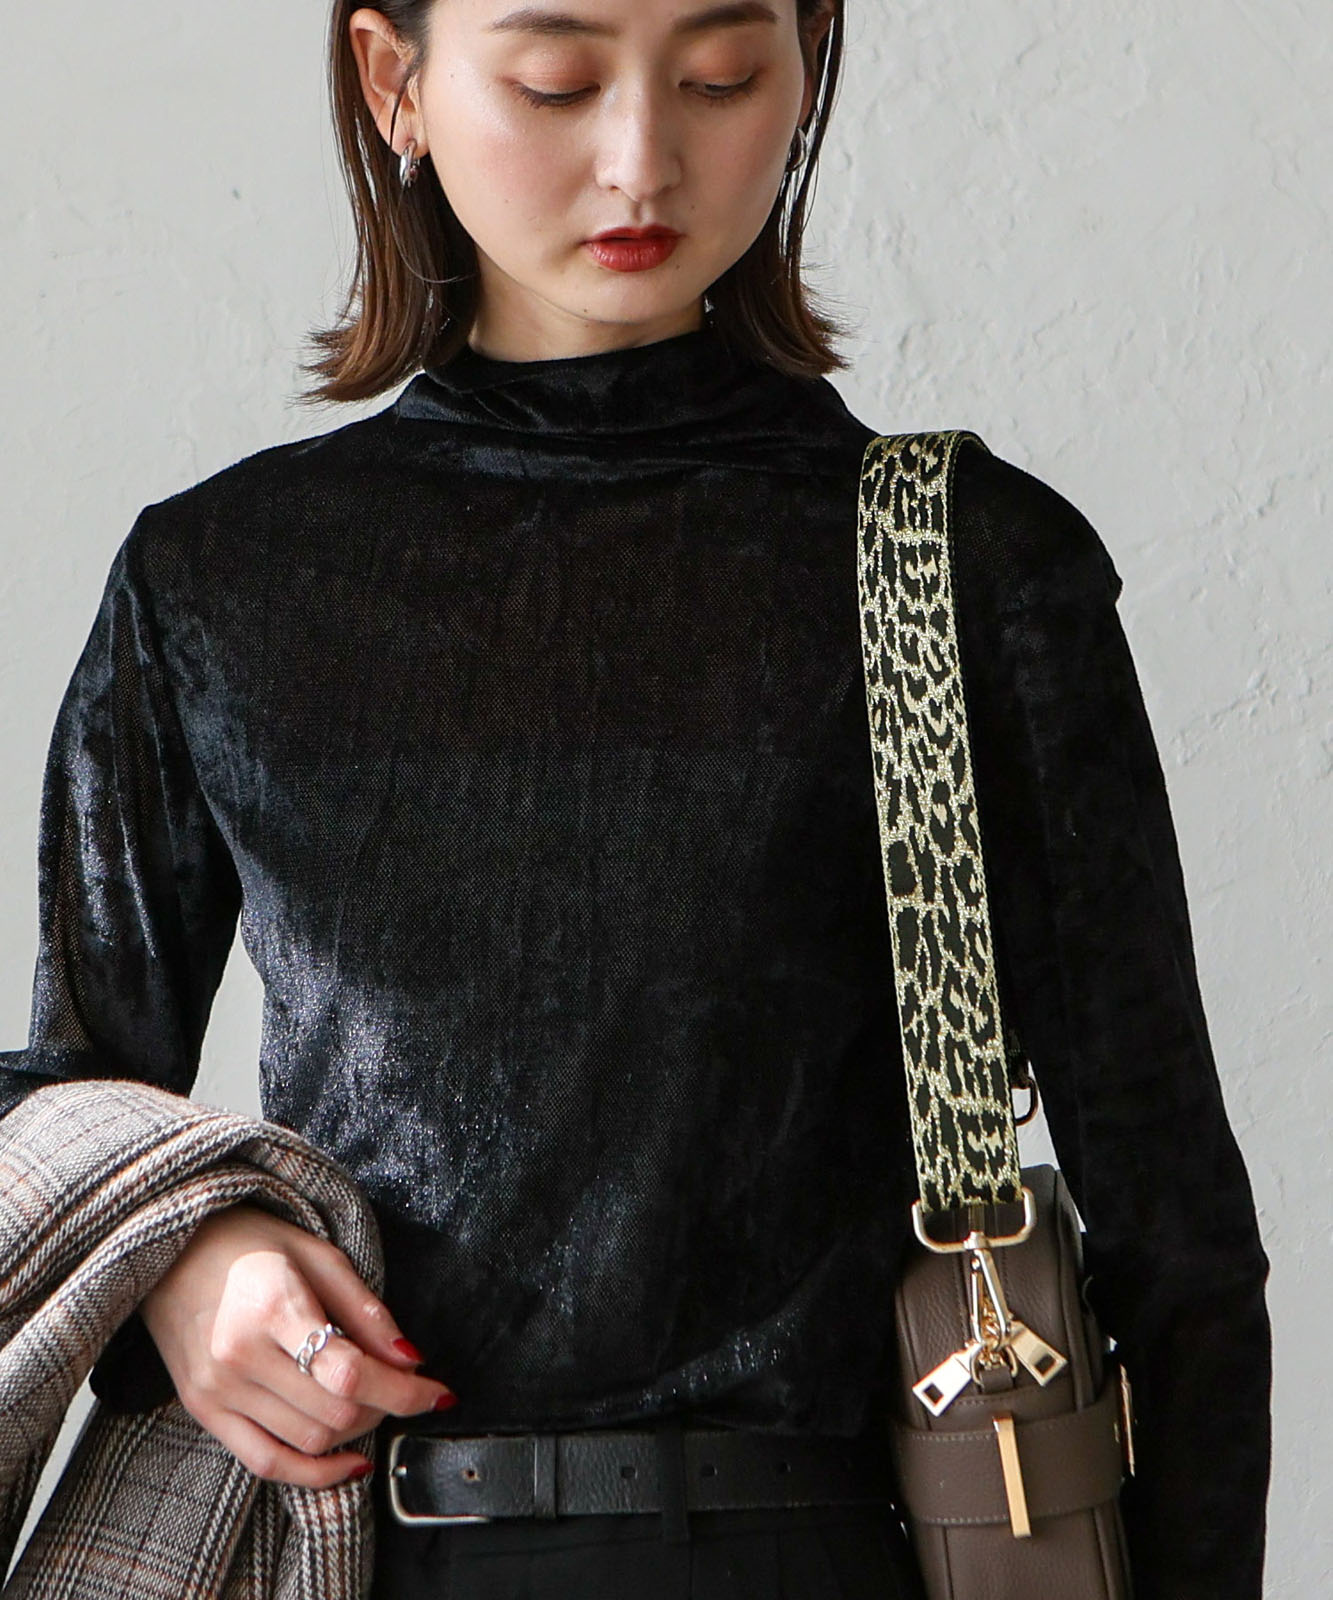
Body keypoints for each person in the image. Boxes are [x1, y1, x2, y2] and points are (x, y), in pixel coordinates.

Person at [0, 2, 1272, 1597]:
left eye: (719, 76)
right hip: (348, 1554)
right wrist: (184, 1253)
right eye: (557, 80)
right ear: (395, 81)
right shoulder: (218, 579)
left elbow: (1175, 1246)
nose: (641, 158)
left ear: (805, 58)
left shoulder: (956, 567)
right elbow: (60, 1102)